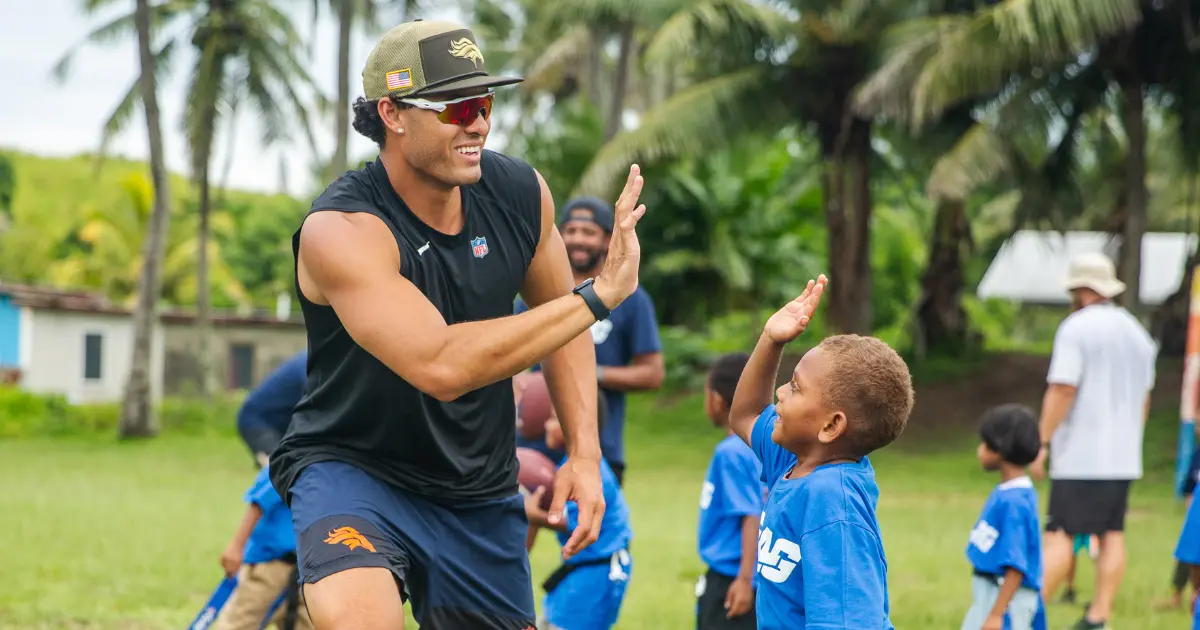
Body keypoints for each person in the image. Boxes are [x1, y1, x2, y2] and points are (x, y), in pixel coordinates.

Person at [267, 18, 649, 630]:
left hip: (477, 488)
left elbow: (565, 328)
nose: (478, 123)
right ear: (391, 114)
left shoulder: (521, 194)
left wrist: (585, 452)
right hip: (356, 470)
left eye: (486, 103)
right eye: (457, 107)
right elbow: (441, 365)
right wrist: (598, 294)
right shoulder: (341, 230)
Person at [727, 276, 914, 629]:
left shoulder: (833, 501)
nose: (780, 392)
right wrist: (771, 340)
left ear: (830, 426)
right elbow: (746, 415)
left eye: (796, 388)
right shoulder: (797, 461)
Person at [1029, 252, 1158, 630]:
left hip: (1082, 454)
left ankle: (1026, 613)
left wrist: (1043, 440)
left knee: (1061, 532)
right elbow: (1144, 400)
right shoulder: (1137, 333)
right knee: (1112, 532)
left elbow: (1064, 388)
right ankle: (1099, 615)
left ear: (1081, 289)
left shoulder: (1077, 328)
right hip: (1122, 455)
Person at [514, 196, 664, 486]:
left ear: (608, 239)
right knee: (519, 526)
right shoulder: (534, 294)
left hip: (598, 444)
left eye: (588, 232)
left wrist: (590, 373)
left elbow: (652, 373)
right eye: (570, 231)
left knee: (590, 529)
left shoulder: (629, 297)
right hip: (534, 440)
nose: (577, 239)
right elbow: (511, 362)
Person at [523, 413, 633, 630]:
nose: (546, 424)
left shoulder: (591, 472)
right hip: (578, 570)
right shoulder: (568, 465)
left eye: (554, 419)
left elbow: (580, 523)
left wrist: (535, 516)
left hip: (599, 572)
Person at [695, 351, 764, 630]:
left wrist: (744, 581)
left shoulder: (732, 452)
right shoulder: (760, 446)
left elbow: (751, 514)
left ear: (717, 399)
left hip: (732, 579)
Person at [960, 404, 1044, 630]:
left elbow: (1016, 566)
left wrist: (997, 614)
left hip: (1006, 600)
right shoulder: (1010, 491)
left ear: (999, 449)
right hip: (992, 595)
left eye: (985, 443)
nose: (980, 450)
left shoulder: (1014, 502)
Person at [214, 463, 313, 630]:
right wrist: (236, 547)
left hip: (311, 571)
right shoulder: (294, 454)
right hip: (271, 566)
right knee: (240, 623)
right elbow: (259, 502)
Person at [236, 351, 307, 468]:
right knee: (281, 468)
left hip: (285, 426)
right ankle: (266, 457)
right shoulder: (311, 364)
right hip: (258, 421)